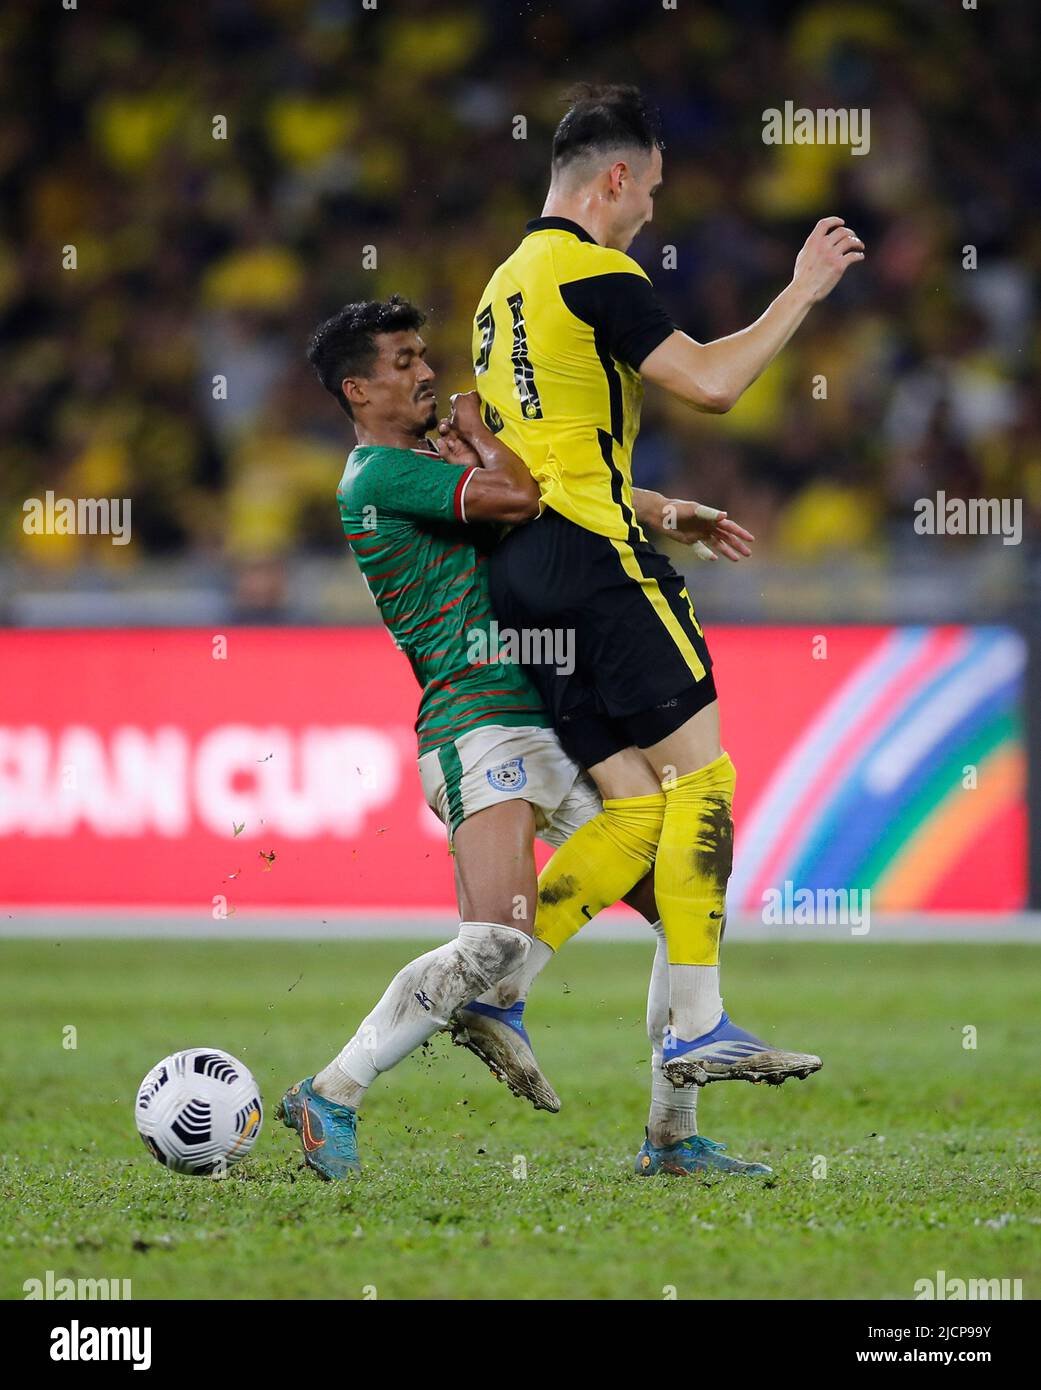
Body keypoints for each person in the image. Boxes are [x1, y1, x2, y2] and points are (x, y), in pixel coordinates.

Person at [278, 295, 769, 1180]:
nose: (426, 371)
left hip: (547, 717)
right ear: (356, 389)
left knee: (683, 913)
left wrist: (657, 509)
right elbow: (519, 494)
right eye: (401, 362)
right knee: (494, 944)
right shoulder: (376, 477)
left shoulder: (438, 460)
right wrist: (474, 419)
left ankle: (671, 1137)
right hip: (475, 724)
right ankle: (331, 1090)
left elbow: (564, 496)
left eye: (424, 355)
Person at [473, 83, 863, 1105]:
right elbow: (714, 384)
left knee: (638, 811)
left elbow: (537, 462)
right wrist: (802, 291)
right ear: (614, 178)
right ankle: (700, 1026)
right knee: (706, 780)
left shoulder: (500, 289)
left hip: (521, 575)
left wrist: (652, 504)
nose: (652, 210)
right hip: (598, 567)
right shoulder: (598, 274)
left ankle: (492, 981)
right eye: (649, 188)